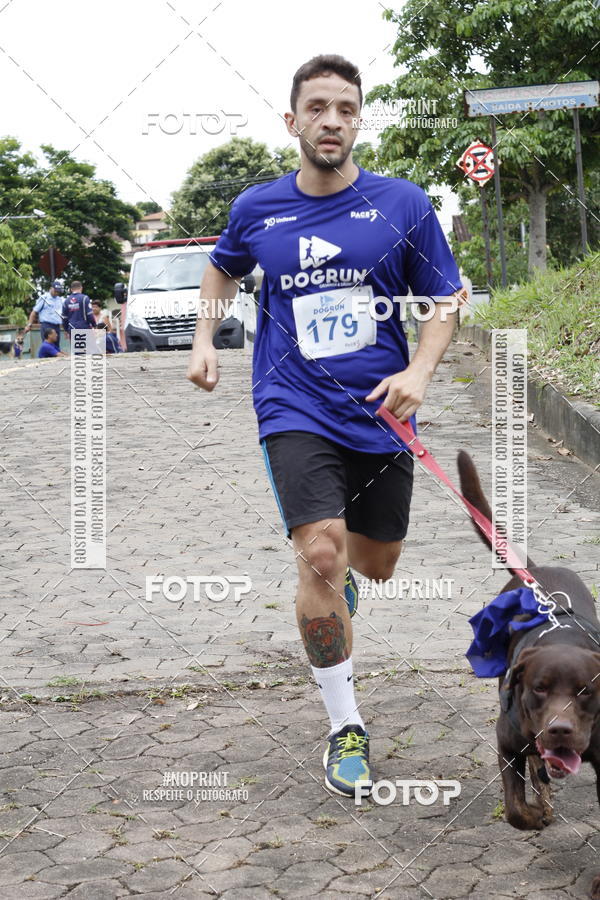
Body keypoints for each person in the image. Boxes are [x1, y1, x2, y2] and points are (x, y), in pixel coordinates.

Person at [187, 54, 465, 798]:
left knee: (374, 565)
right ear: (293, 121)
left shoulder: (401, 205)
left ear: (358, 119)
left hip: (380, 412)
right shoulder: (259, 208)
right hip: (292, 404)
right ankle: (346, 724)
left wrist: (419, 374)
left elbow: (446, 299)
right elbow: (223, 268)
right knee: (320, 553)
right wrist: (204, 338)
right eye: (317, 108)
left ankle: (338, 589)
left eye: (345, 107)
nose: (332, 120)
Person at [24, 280, 64, 349]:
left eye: (58, 291)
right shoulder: (44, 298)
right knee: (48, 347)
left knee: (57, 347)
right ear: (51, 288)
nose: (56, 293)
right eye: (55, 291)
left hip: (57, 326)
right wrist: (29, 325)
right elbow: (34, 312)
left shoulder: (60, 300)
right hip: (47, 326)